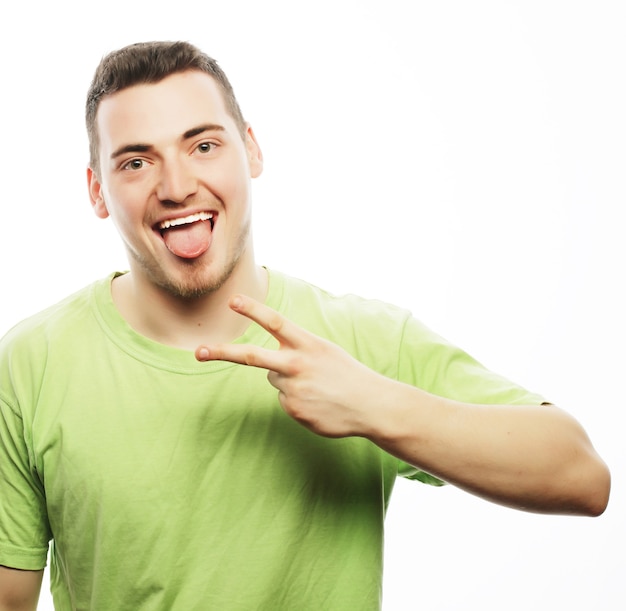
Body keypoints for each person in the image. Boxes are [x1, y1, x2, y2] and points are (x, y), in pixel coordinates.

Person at [0, 40, 610, 611]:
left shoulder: (361, 341)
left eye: (204, 145)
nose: (178, 186)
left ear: (252, 150)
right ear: (97, 191)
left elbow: (581, 477)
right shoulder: (31, 362)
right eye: (136, 161)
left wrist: (372, 404)